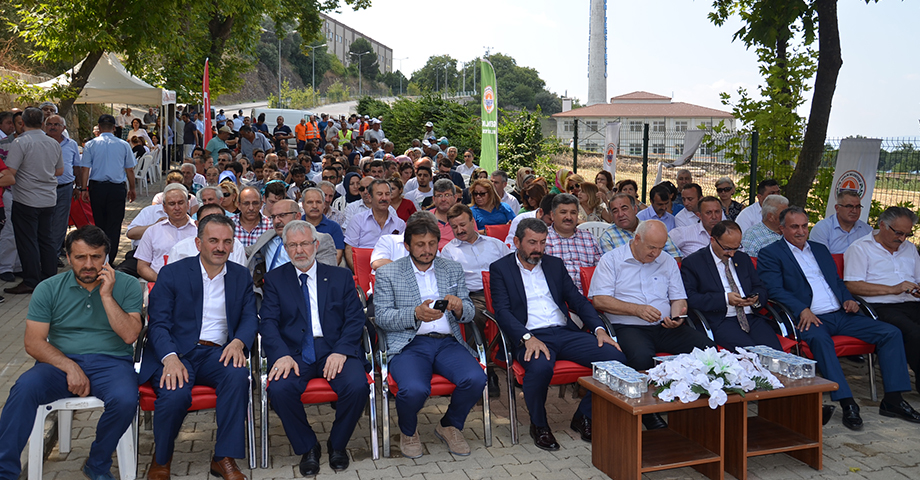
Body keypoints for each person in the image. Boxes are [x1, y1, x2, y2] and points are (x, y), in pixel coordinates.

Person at [0, 226, 143, 480]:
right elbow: (33, 343)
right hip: (58, 363)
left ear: (106, 257)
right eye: (80, 257)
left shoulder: (128, 285)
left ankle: (97, 462)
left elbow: (130, 335)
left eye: (96, 257)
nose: (88, 264)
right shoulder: (49, 288)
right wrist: (69, 366)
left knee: (125, 400)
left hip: (112, 363)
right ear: (68, 257)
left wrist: (107, 296)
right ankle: (5, 471)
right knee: (23, 389)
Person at [759, 206, 920, 430]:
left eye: (804, 226)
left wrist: (848, 299)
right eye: (794, 227)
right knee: (821, 342)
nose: (801, 231)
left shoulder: (820, 249)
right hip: (809, 318)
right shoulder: (771, 253)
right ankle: (847, 402)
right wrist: (801, 309)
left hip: (840, 314)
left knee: (890, 333)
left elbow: (836, 282)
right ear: (782, 228)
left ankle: (893, 400)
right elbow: (774, 290)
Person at [490, 218, 626, 450]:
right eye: (532, 243)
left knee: (616, 359)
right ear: (516, 242)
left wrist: (599, 329)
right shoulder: (500, 269)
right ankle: (539, 425)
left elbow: (578, 301)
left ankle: (584, 416)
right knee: (540, 367)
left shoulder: (554, 265)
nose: (538, 249)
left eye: (543, 243)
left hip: (564, 332)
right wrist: (526, 338)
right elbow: (502, 312)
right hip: (530, 335)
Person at [139, 214, 258, 480]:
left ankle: (223, 457)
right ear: (198, 243)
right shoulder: (173, 273)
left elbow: (250, 317)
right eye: (213, 240)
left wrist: (239, 342)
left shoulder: (240, 276)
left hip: (217, 352)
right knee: (176, 391)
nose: (220, 247)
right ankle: (162, 459)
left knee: (238, 376)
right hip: (176, 351)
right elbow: (157, 323)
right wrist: (169, 358)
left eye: (227, 242)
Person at [260, 220, 369, 475]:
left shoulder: (340, 276)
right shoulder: (275, 279)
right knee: (280, 389)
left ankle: (338, 444)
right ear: (285, 249)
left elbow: (355, 319)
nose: (300, 250)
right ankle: (308, 446)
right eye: (293, 245)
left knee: (357, 386)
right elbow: (268, 323)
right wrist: (282, 355)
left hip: (335, 348)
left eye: (305, 244)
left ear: (316, 245)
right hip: (295, 353)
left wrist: (341, 350)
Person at [374, 214, 485, 458]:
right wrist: (415, 314)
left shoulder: (452, 268)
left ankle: (450, 425)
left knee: (476, 379)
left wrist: (459, 307)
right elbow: (381, 317)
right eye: (420, 244)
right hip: (409, 344)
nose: (427, 250)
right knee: (414, 389)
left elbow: (468, 312)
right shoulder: (388, 273)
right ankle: (408, 430)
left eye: (432, 244)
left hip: (447, 342)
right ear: (407, 246)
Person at [590, 219, 715, 430]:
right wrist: (636, 309)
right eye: (651, 247)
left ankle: (694, 404)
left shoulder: (666, 261)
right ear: (637, 239)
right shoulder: (612, 260)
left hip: (664, 326)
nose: (655, 253)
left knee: (705, 349)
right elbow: (599, 300)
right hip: (627, 326)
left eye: (660, 248)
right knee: (641, 357)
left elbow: (679, 299)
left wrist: (677, 317)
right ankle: (648, 412)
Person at [844, 206, 920, 388]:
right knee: (915, 334)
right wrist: (893, 289)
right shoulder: (860, 248)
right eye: (899, 233)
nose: (902, 239)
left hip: (912, 302)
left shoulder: (909, 248)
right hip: (880, 306)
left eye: (907, 234)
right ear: (883, 225)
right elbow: (852, 285)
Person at [681, 221, 782, 351]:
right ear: (712, 240)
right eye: (727, 248)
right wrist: (725, 299)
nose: (732, 254)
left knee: (775, 353)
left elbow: (760, 287)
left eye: (736, 248)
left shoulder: (742, 258)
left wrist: (755, 299)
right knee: (750, 354)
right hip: (721, 319)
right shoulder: (694, 263)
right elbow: (691, 298)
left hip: (751, 317)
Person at [441, 204, 509, 397]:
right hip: (473, 294)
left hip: (500, 292)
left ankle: (513, 358)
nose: (460, 230)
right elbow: (448, 283)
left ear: (473, 221)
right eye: (454, 227)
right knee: (474, 316)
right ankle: (485, 368)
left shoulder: (495, 244)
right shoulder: (449, 251)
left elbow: (512, 268)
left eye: (463, 224)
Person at [3, 107, 64, 295]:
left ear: (22, 122)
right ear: (43, 123)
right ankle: (49, 278)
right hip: (48, 198)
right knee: (46, 240)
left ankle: (31, 280)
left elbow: (10, 172)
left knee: (27, 241)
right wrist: (42, 174)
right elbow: (59, 171)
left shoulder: (21, 142)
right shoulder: (53, 143)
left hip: (26, 198)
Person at [80, 114, 137, 265]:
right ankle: (109, 259)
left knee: (99, 223)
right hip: (116, 188)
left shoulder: (91, 145)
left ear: (98, 127)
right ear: (114, 128)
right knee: (114, 224)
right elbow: (129, 169)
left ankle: (99, 255)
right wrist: (132, 188)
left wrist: (83, 188)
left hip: (97, 187)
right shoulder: (123, 145)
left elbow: (85, 169)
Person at [135, 184, 197, 283]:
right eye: (172, 204)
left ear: (188, 205)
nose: (177, 208)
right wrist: (162, 281)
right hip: (158, 283)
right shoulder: (152, 231)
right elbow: (142, 266)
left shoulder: (199, 231)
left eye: (180, 203)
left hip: (193, 285)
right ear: (164, 207)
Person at [544, 194, 602, 295]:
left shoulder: (588, 238)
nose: (569, 217)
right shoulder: (542, 239)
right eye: (563, 212)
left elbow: (602, 270)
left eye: (573, 213)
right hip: (555, 298)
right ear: (552, 215)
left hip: (588, 297)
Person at [344, 179, 405, 270]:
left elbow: (402, 253)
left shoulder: (399, 224)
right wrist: (359, 273)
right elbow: (349, 250)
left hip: (390, 271)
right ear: (369, 197)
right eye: (379, 194)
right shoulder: (358, 220)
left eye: (387, 194)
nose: (384, 198)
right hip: (362, 269)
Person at [598, 193, 681, 260]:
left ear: (635, 209)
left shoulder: (653, 229)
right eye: (615, 211)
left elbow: (675, 256)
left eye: (624, 208)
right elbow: (612, 266)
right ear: (611, 215)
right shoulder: (608, 237)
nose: (620, 214)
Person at [45, 115, 80, 258]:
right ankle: (47, 254)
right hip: (44, 188)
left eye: (56, 124)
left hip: (64, 188)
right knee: (46, 222)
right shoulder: (41, 143)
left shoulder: (71, 144)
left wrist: (79, 186)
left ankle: (54, 254)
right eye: (49, 124)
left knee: (60, 222)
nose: (52, 127)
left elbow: (76, 166)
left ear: (63, 128)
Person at [167, 203, 246, 266]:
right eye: (208, 221)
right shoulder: (179, 249)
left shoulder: (236, 245)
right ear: (197, 224)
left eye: (219, 220)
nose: (220, 248)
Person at [809, 189, 873, 254]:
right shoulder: (822, 229)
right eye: (849, 206)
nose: (854, 211)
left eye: (858, 207)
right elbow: (822, 259)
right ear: (837, 208)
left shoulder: (867, 231)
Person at [302, 188, 345, 265]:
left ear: (324, 204)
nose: (314, 206)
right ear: (303, 205)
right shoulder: (295, 226)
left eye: (318, 202)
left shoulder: (334, 227)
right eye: (310, 202)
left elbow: (337, 257)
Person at [427, 179, 458, 249]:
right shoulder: (424, 219)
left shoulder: (465, 218)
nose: (443, 199)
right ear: (434, 199)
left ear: (455, 198)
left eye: (447, 195)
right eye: (439, 195)